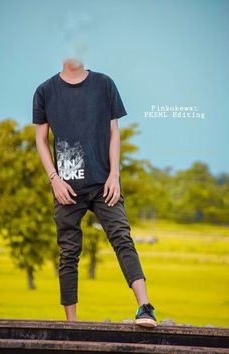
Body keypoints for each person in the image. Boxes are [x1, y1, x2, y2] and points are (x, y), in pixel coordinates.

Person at [32, 57, 157, 327]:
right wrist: (54, 179)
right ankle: (72, 324)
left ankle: (145, 308)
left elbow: (114, 133)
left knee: (122, 237)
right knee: (68, 252)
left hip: (104, 183)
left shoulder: (104, 84)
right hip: (66, 186)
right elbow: (41, 139)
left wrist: (115, 175)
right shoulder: (45, 91)